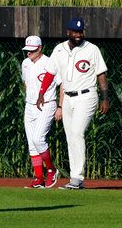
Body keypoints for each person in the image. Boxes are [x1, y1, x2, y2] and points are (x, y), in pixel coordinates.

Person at [37, 17, 109, 189]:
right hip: (67, 98)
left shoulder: (91, 49)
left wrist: (105, 97)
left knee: (77, 133)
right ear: (68, 32)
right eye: (75, 31)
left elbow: (101, 74)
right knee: (71, 137)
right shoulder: (59, 49)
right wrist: (41, 93)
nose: (78, 34)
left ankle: (77, 177)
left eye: (80, 31)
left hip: (87, 96)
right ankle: (74, 178)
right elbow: (50, 73)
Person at [21, 35, 59, 189]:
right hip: (29, 106)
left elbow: (61, 84)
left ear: (40, 48)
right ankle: (38, 178)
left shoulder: (49, 62)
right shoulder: (25, 63)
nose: (29, 53)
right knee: (31, 143)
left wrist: (60, 106)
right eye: (27, 50)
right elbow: (25, 83)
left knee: (38, 138)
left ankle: (51, 169)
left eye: (32, 50)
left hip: (47, 104)